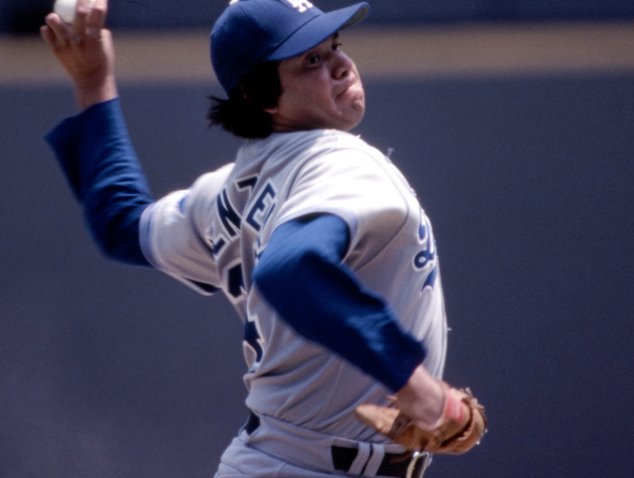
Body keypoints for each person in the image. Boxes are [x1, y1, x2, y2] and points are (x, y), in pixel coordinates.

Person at [40, 0, 476, 476]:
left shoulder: (227, 192)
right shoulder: (336, 160)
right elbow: (289, 270)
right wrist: (421, 389)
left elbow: (121, 223)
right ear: (261, 97)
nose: (340, 65)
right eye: (311, 60)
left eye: (334, 46)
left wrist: (93, 82)